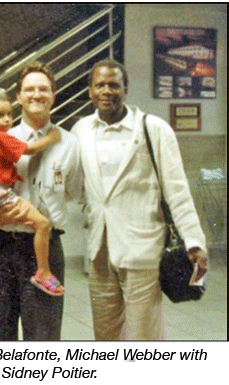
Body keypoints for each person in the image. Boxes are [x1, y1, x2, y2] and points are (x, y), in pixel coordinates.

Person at [71, 58, 208, 340]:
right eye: (100, 85)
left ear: (126, 89)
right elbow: (78, 186)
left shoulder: (153, 129)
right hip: (100, 249)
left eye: (114, 85)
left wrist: (194, 241)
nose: (107, 91)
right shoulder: (81, 130)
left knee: (144, 337)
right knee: (105, 336)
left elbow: (177, 190)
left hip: (142, 247)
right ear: (90, 92)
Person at [0, 61, 83, 340]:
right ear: (19, 97)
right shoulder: (1, 137)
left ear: (53, 95)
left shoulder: (70, 143)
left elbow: (73, 192)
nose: (37, 95)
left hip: (45, 250)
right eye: (30, 89)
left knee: (44, 338)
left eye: (44, 89)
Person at [0, 85, 64, 296]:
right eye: (0, 115)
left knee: (25, 222)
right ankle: (43, 271)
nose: (6, 120)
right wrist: (52, 137)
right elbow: (30, 150)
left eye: (9, 114)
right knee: (43, 223)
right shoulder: (0, 137)